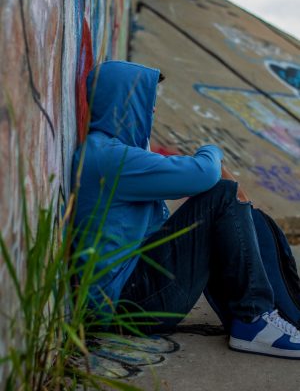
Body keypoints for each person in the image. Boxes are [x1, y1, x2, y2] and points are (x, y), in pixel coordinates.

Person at [72, 60, 300, 359]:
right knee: (221, 196)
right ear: (124, 102)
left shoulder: (108, 152)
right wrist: (212, 149)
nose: (152, 110)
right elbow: (204, 174)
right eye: (147, 101)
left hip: (129, 296)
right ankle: (252, 320)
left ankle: (251, 318)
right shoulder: (108, 157)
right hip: (128, 304)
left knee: (222, 207)